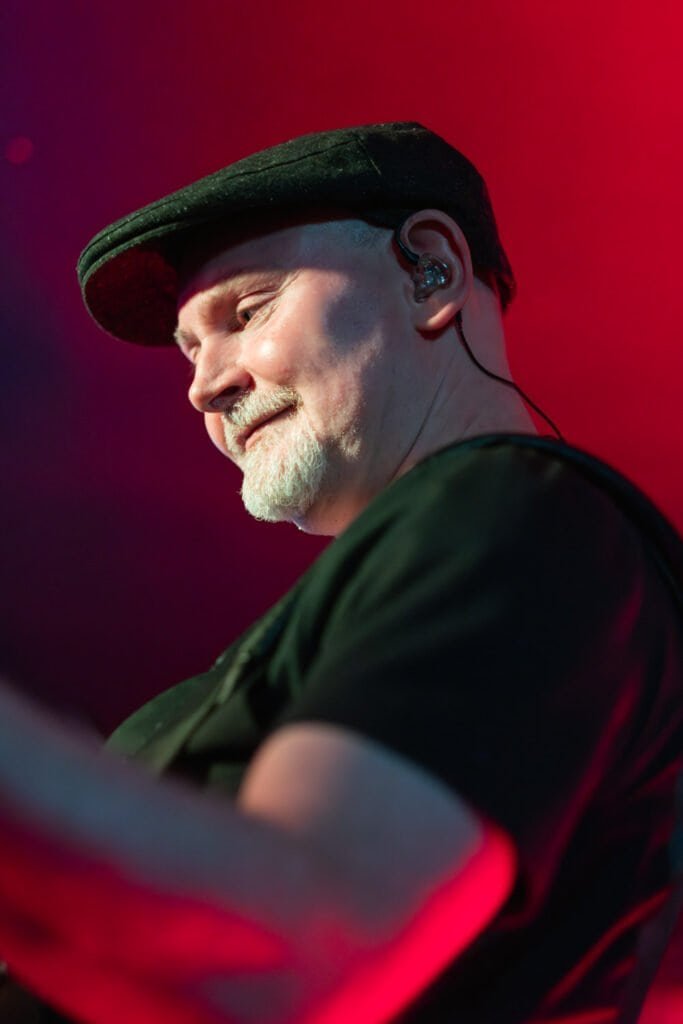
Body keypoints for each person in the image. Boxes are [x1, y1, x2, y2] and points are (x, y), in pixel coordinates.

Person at [1, 122, 681, 1023]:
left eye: (246, 314)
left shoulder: (516, 513)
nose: (203, 385)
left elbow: (297, 955)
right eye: (187, 351)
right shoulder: (426, 567)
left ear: (429, 271)